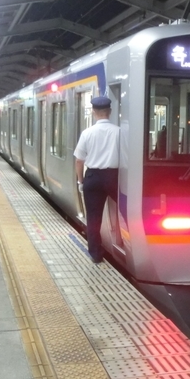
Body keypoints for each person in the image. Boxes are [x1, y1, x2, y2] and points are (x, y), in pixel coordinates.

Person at [74, 96, 120, 264]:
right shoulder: (119, 132)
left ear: (94, 112)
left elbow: (79, 160)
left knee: (93, 217)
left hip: (92, 177)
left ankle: (96, 254)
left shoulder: (87, 133)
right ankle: (130, 243)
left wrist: (80, 182)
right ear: (110, 112)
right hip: (114, 177)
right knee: (127, 209)